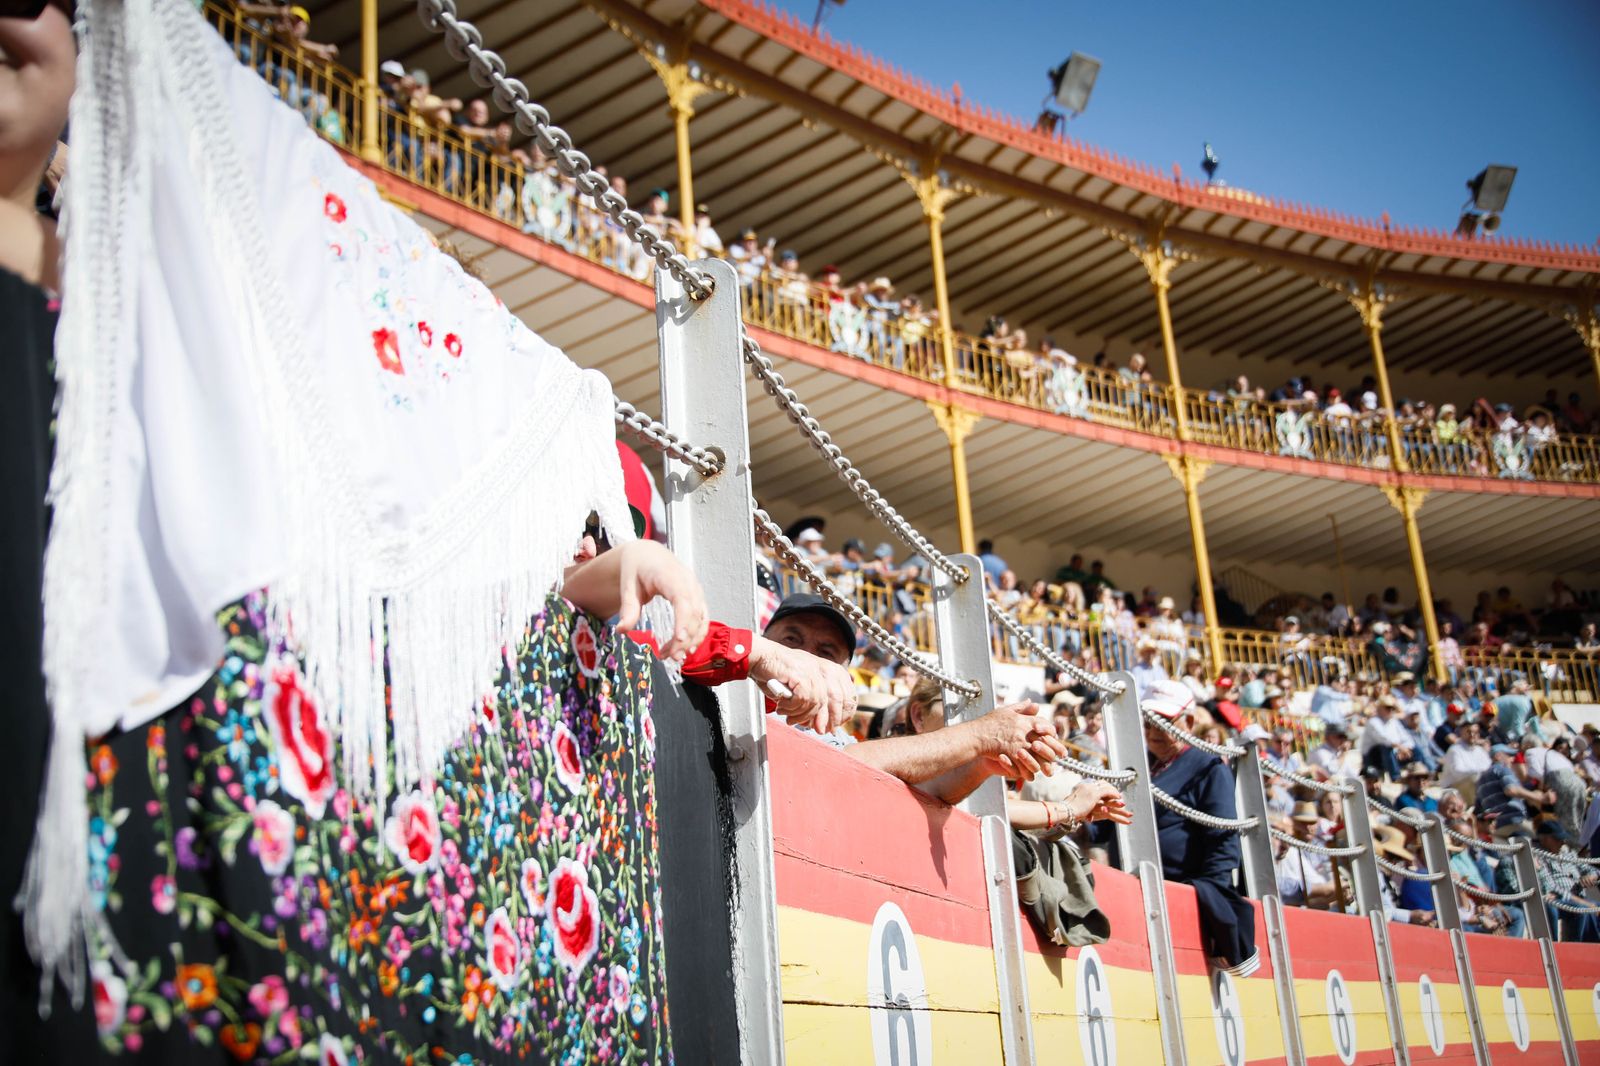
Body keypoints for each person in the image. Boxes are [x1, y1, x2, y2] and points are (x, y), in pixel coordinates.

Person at [1142, 680, 1259, 976]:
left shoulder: (1207, 768)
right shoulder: (1139, 763)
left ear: (1189, 722)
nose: (1153, 732)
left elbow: (1222, 840)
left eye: (1163, 722)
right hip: (1141, 887)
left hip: (1180, 896)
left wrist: (1210, 907)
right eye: (1147, 722)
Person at [1476, 743, 1550, 838]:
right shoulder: (1502, 769)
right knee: (1546, 841)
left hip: (1497, 828)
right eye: (1509, 756)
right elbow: (1511, 790)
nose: (1512, 759)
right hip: (1515, 821)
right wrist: (1539, 797)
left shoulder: (1481, 780)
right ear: (1498, 756)